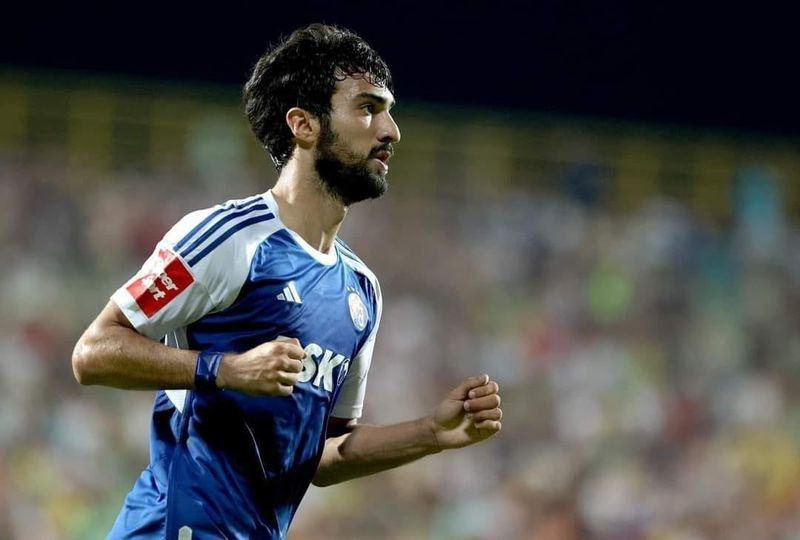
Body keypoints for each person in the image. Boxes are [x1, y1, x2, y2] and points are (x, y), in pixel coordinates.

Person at [72, 23, 503, 539]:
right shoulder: (231, 238)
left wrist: (430, 432)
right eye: (367, 108)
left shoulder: (360, 290)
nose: (391, 131)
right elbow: (93, 352)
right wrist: (225, 368)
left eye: (388, 111)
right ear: (303, 124)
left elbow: (321, 456)